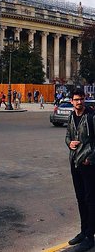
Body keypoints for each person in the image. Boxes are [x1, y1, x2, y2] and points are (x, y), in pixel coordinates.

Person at [65, 89, 95, 251]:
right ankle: (83, 232)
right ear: (72, 101)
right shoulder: (71, 116)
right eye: (76, 99)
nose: (79, 102)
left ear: (85, 100)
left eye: (81, 99)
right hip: (75, 163)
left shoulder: (91, 117)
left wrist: (91, 158)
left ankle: (90, 236)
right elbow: (67, 136)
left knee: (91, 200)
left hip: (89, 164)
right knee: (80, 198)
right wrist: (69, 143)